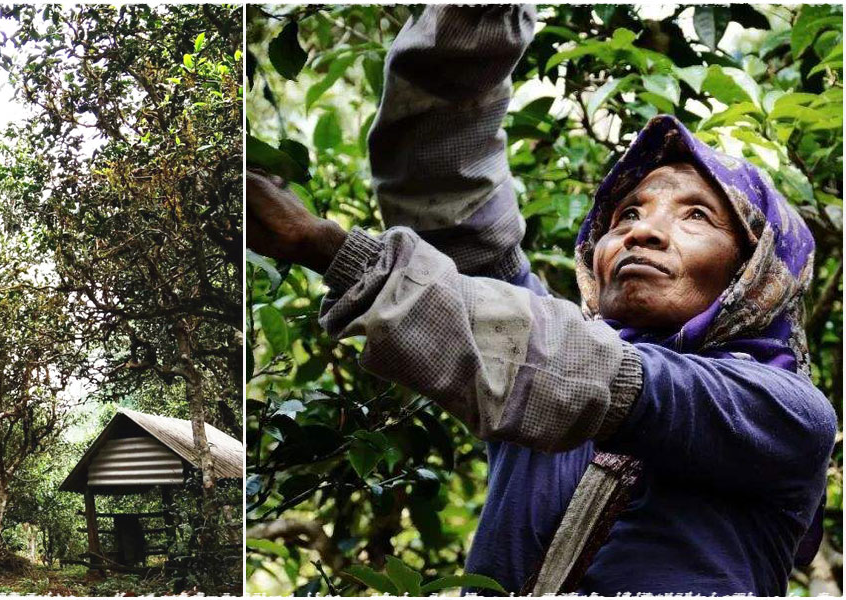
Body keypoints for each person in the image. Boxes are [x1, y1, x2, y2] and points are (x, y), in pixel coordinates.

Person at [246, 5, 837, 595]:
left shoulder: (785, 412)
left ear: (756, 273)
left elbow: (593, 375)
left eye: (697, 216)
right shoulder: (546, 362)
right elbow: (444, 194)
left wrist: (326, 247)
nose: (642, 231)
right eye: (627, 213)